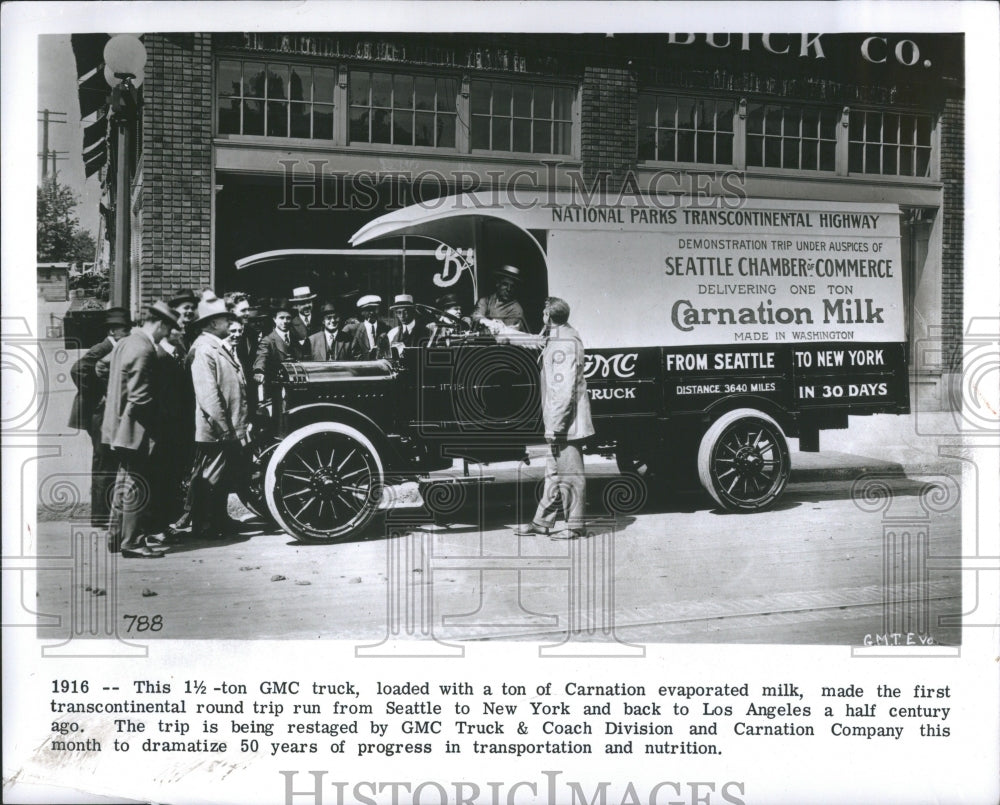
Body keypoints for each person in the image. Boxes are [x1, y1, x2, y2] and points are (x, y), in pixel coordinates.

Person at [101, 301, 182, 558]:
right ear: (160, 324)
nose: (166, 336)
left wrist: (116, 398)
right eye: (167, 331)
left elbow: (101, 367)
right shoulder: (144, 347)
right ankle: (133, 542)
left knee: (124, 480)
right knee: (136, 483)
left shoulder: (126, 341)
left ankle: (116, 537)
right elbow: (140, 396)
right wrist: (157, 421)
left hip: (119, 425)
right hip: (135, 429)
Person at [515, 297, 594, 540]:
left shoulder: (564, 343)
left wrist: (557, 427)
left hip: (567, 423)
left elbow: (564, 389)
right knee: (554, 473)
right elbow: (537, 342)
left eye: (543, 313)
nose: (542, 317)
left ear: (548, 317)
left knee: (570, 474)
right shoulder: (561, 335)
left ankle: (575, 526)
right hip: (562, 422)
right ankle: (541, 522)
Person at [188, 297, 250, 541]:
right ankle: (204, 525)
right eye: (225, 318)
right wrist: (225, 429)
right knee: (211, 478)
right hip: (216, 430)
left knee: (222, 477)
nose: (229, 321)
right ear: (213, 323)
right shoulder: (204, 348)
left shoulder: (215, 345)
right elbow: (209, 395)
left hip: (225, 427)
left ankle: (218, 519)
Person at [68, 307, 131, 527]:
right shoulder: (103, 348)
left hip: (105, 412)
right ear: (113, 330)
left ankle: (103, 515)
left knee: (107, 461)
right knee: (104, 462)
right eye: (124, 329)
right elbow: (77, 370)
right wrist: (99, 393)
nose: (127, 332)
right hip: (98, 413)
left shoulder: (117, 346)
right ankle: (101, 516)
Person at [253, 299, 311, 394]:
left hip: (298, 386)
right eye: (281, 318)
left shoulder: (296, 338)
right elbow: (261, 356)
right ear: (274, 319)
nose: (285, 321)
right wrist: (259, 371)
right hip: (277, 389)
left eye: (288, 318)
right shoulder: (268, 340)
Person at [472, 265, 528, 334]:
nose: (509, 289)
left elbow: (505, 334)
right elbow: (476, 317)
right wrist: (489, 323)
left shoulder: (516, 310)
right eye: (505, 284)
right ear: (498, 284)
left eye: (512, 286)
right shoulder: (486, 300)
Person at [349, 295, 390, 360]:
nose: (371, 312)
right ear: (362, 312)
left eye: (374, 309)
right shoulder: (355, 331)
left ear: (379, 309)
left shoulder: (386, 329)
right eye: (368, 310)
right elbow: (353, 354)